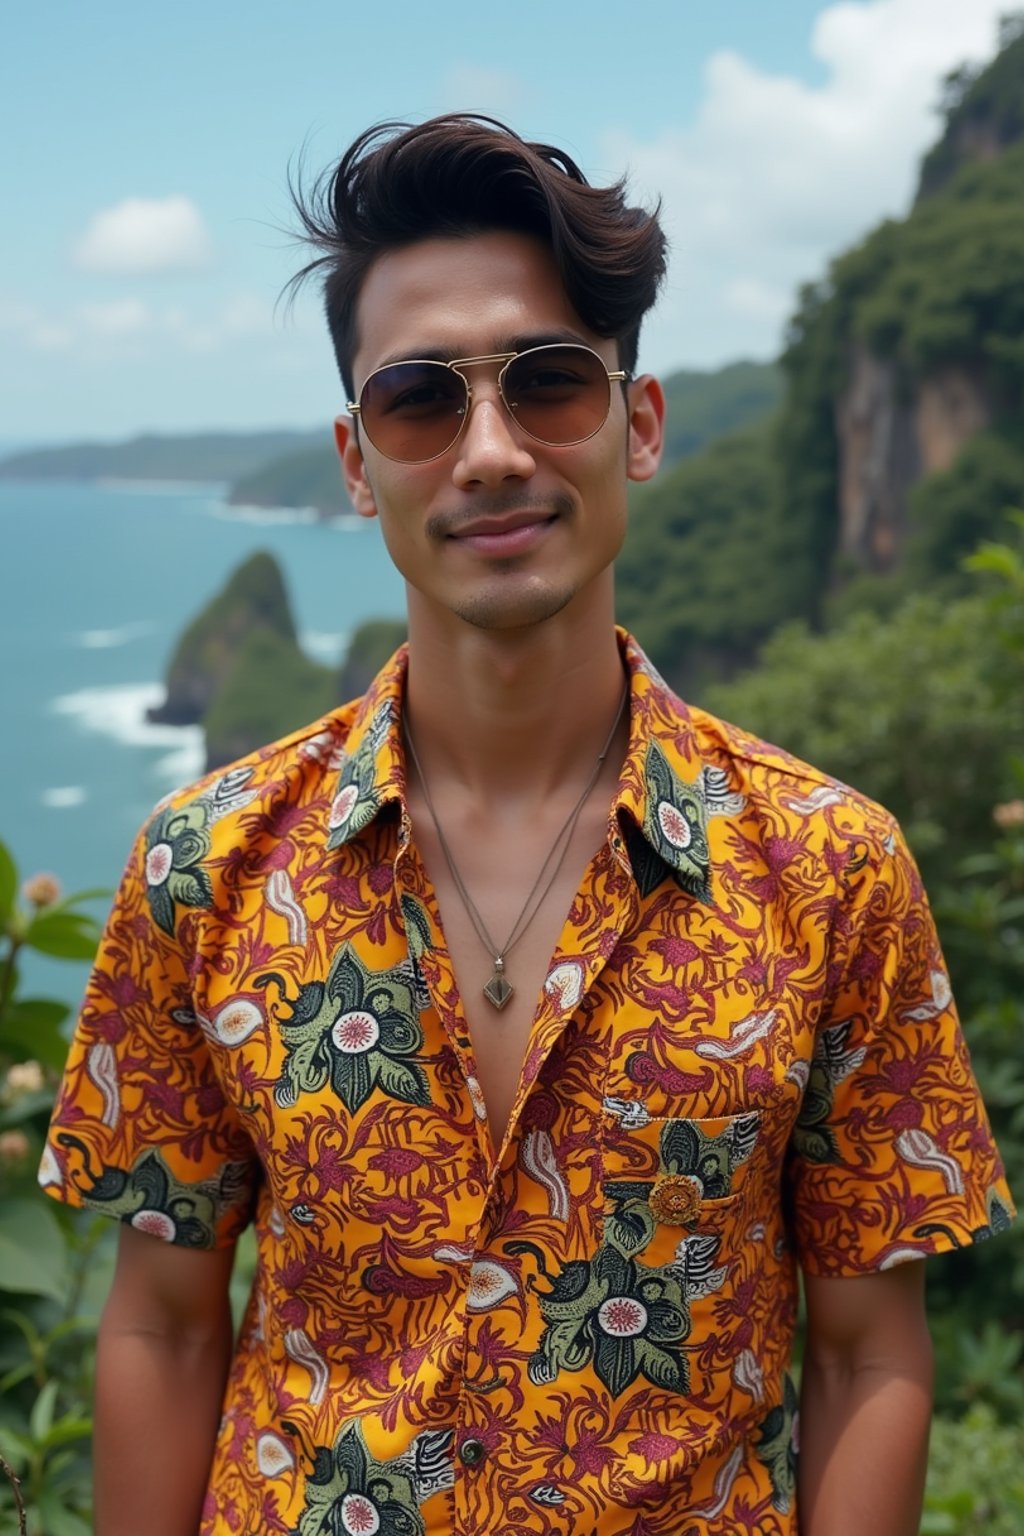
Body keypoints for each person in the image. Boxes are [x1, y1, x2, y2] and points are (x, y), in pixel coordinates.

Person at [41, 115, 1013, 1536]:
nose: (490, 452)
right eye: (421, 402)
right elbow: (165, 1325)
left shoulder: (830, 869)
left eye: (550, 382)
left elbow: (872, 1347)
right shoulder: (208, 863)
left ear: (641, 423)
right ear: (358, 461)